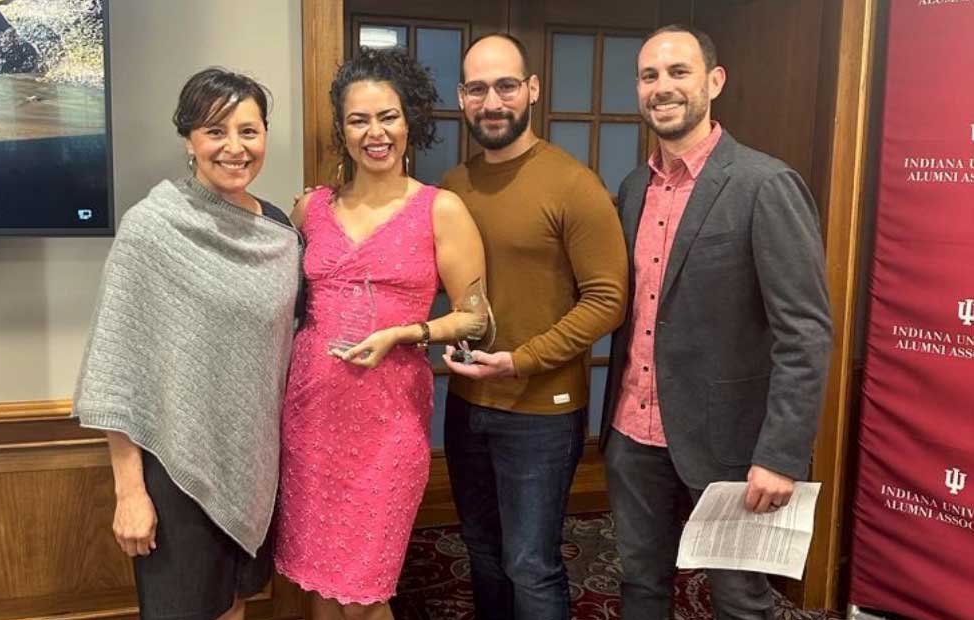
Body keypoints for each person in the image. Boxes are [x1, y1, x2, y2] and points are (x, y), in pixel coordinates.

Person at [599, 25, 833, 620]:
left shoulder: (765, 184)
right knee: (640, 584)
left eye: (679, 72)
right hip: (634, 434)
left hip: (732, 448)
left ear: (715, 81)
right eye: (649, 76)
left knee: (739, 602)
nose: (662, 87)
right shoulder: (633, 187)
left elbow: (804, 333)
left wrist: (781, 454)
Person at [74, 68, 302, 620]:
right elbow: (116, 367)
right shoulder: (152, 227)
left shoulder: (279, 231)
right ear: (189, 139)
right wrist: (130, 492)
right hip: (176, 470)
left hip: (253, 467)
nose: (234, 147)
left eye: (249, 131)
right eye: (215, 131)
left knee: (234, 607)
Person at [274, 48, 487, 620]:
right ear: (342, 130)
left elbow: (476, 318)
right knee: (319, 588)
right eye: (358, 120)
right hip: (311, 417)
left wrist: (406, 332)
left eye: (388, 117)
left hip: (389, 422)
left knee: (365, 597)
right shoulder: (311, 209)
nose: (375, 133)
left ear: (409, 120)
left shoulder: (441, 209)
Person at [440, 33, 629, 620]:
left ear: (532, 90)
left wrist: (521, 360)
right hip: (466, 403)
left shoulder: (573, 184)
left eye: (505, 86)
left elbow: (608, 300)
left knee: (530, 563)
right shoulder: (453, 187)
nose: (492, 102)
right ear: (461, 97)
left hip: (542, 412)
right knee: (481, 549)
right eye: (478, 89)